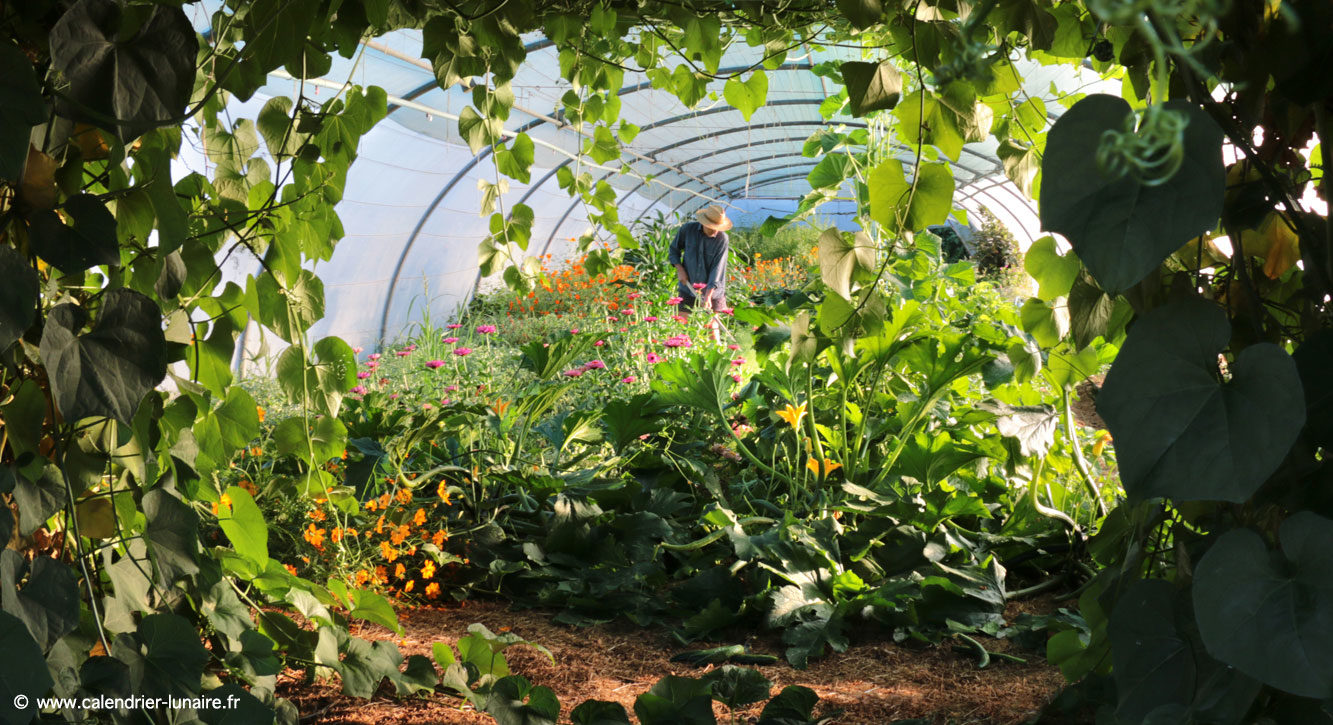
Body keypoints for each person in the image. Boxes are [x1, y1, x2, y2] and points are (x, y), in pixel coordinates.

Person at [668, 205, 732, 317]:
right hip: (688, 287)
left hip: (714, 291)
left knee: (712, 325)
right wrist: (680, 269)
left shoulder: (722, 239)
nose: (714, 230)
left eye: (717, 227)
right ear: (703, 222)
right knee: (682, 321)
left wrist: (708, 296)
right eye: (711, 226)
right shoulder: (688, 230)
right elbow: (674, 250)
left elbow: (717, 269)